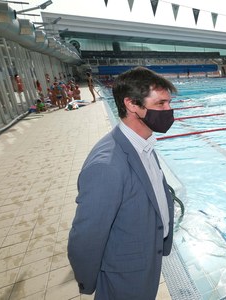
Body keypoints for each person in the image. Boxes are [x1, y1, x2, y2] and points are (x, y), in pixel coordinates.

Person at [68, 67, 178, 299]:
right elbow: (86, 236)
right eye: (160, 104)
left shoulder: (142, 144)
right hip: (124, 278)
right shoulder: (107, 165)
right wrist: (88, 282)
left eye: (169, 103)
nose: (169, 110)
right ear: (131, 104)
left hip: (147, 262)